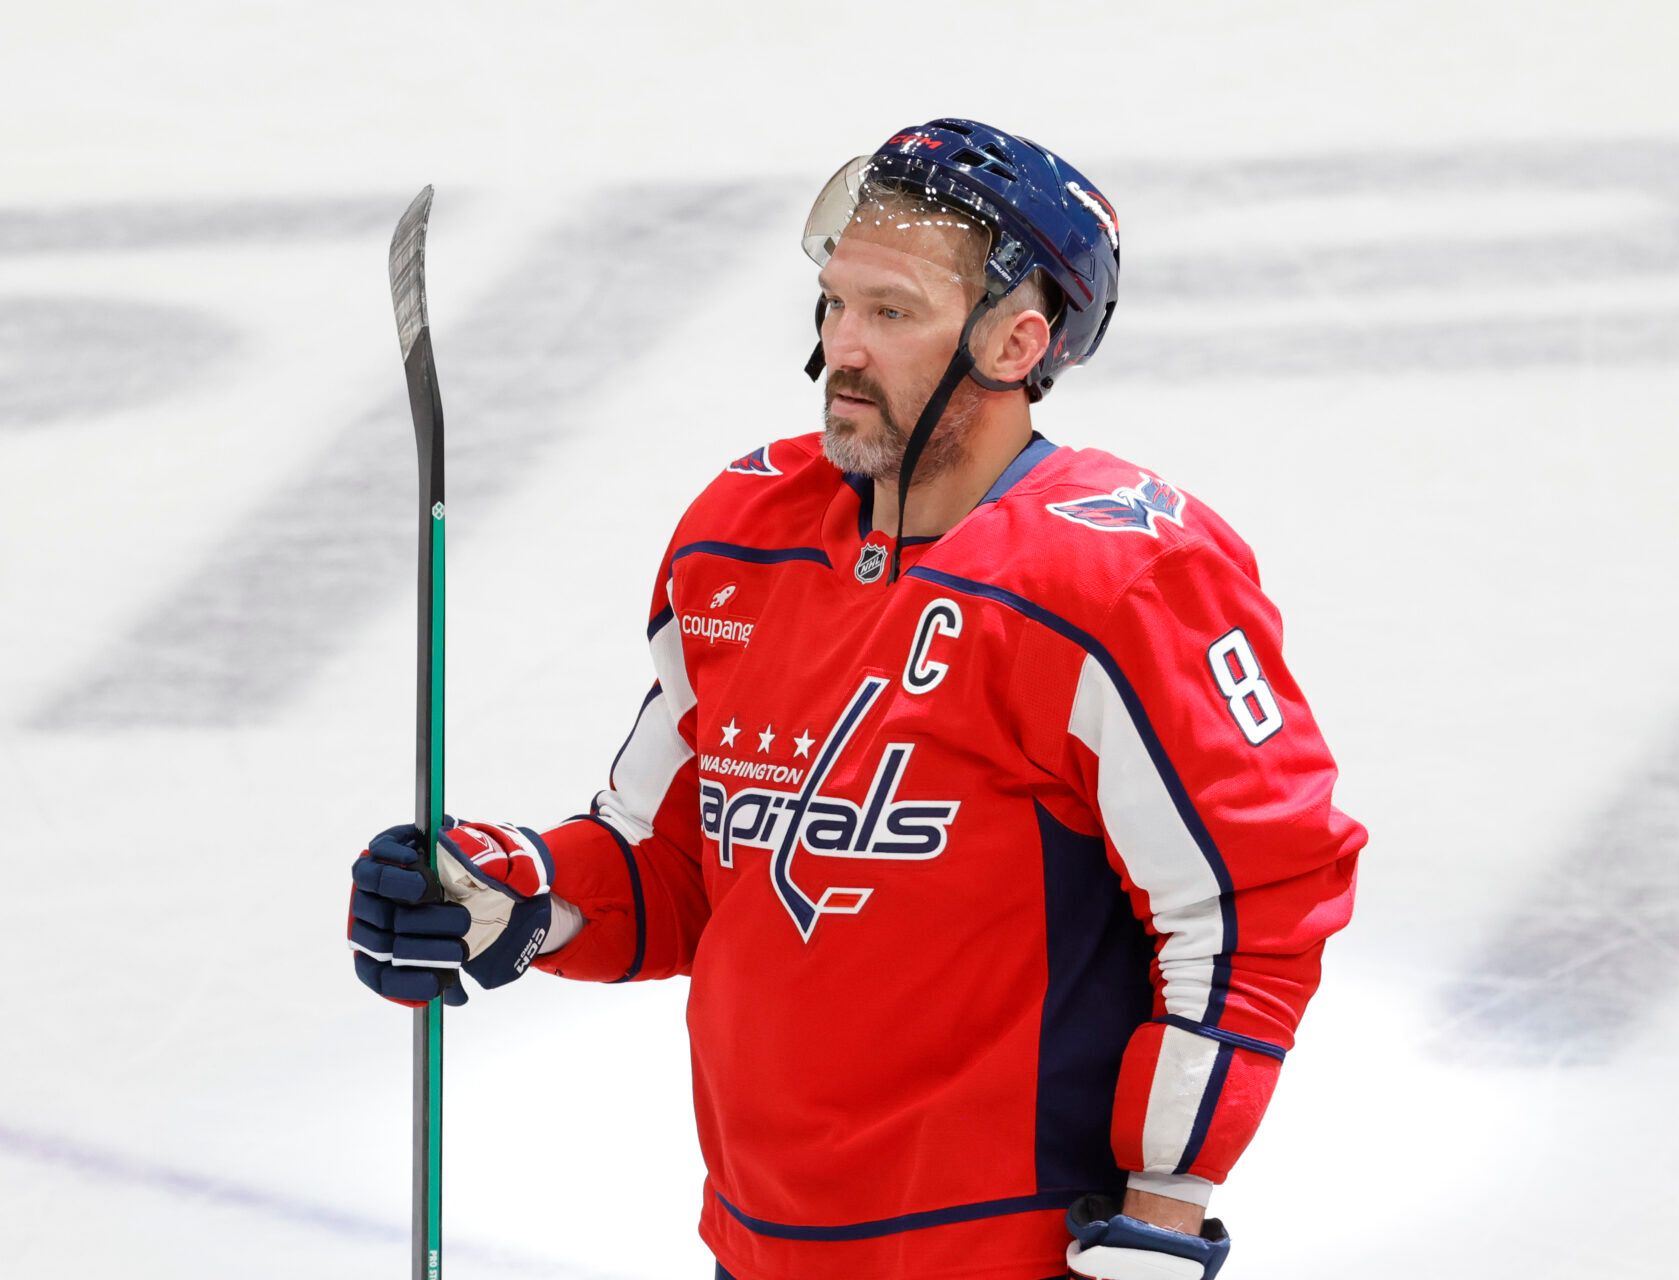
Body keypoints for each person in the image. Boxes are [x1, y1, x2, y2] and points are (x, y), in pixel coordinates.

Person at [349, 118, 1366, 1280]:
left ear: (1016, 338)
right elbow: (676, 867)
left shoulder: (1120, 578)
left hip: (1008, 1257)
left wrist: (1164, 1208)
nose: (843, 344)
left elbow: (1252, 902)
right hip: (757, 1240)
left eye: (892, 312)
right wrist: (506, 892)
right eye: (834, 304)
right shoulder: (742, 539)